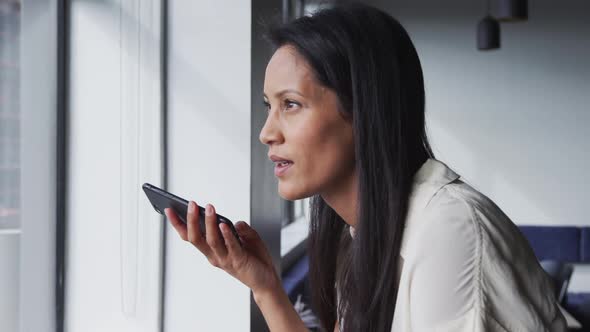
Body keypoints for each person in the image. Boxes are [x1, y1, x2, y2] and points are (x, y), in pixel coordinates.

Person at [164, 2, 567, 331]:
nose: (267, 133)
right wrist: (264, 285)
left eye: (291, 104)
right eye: (269, 107)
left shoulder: (448, 230)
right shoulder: (362, 234)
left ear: (364, 110)